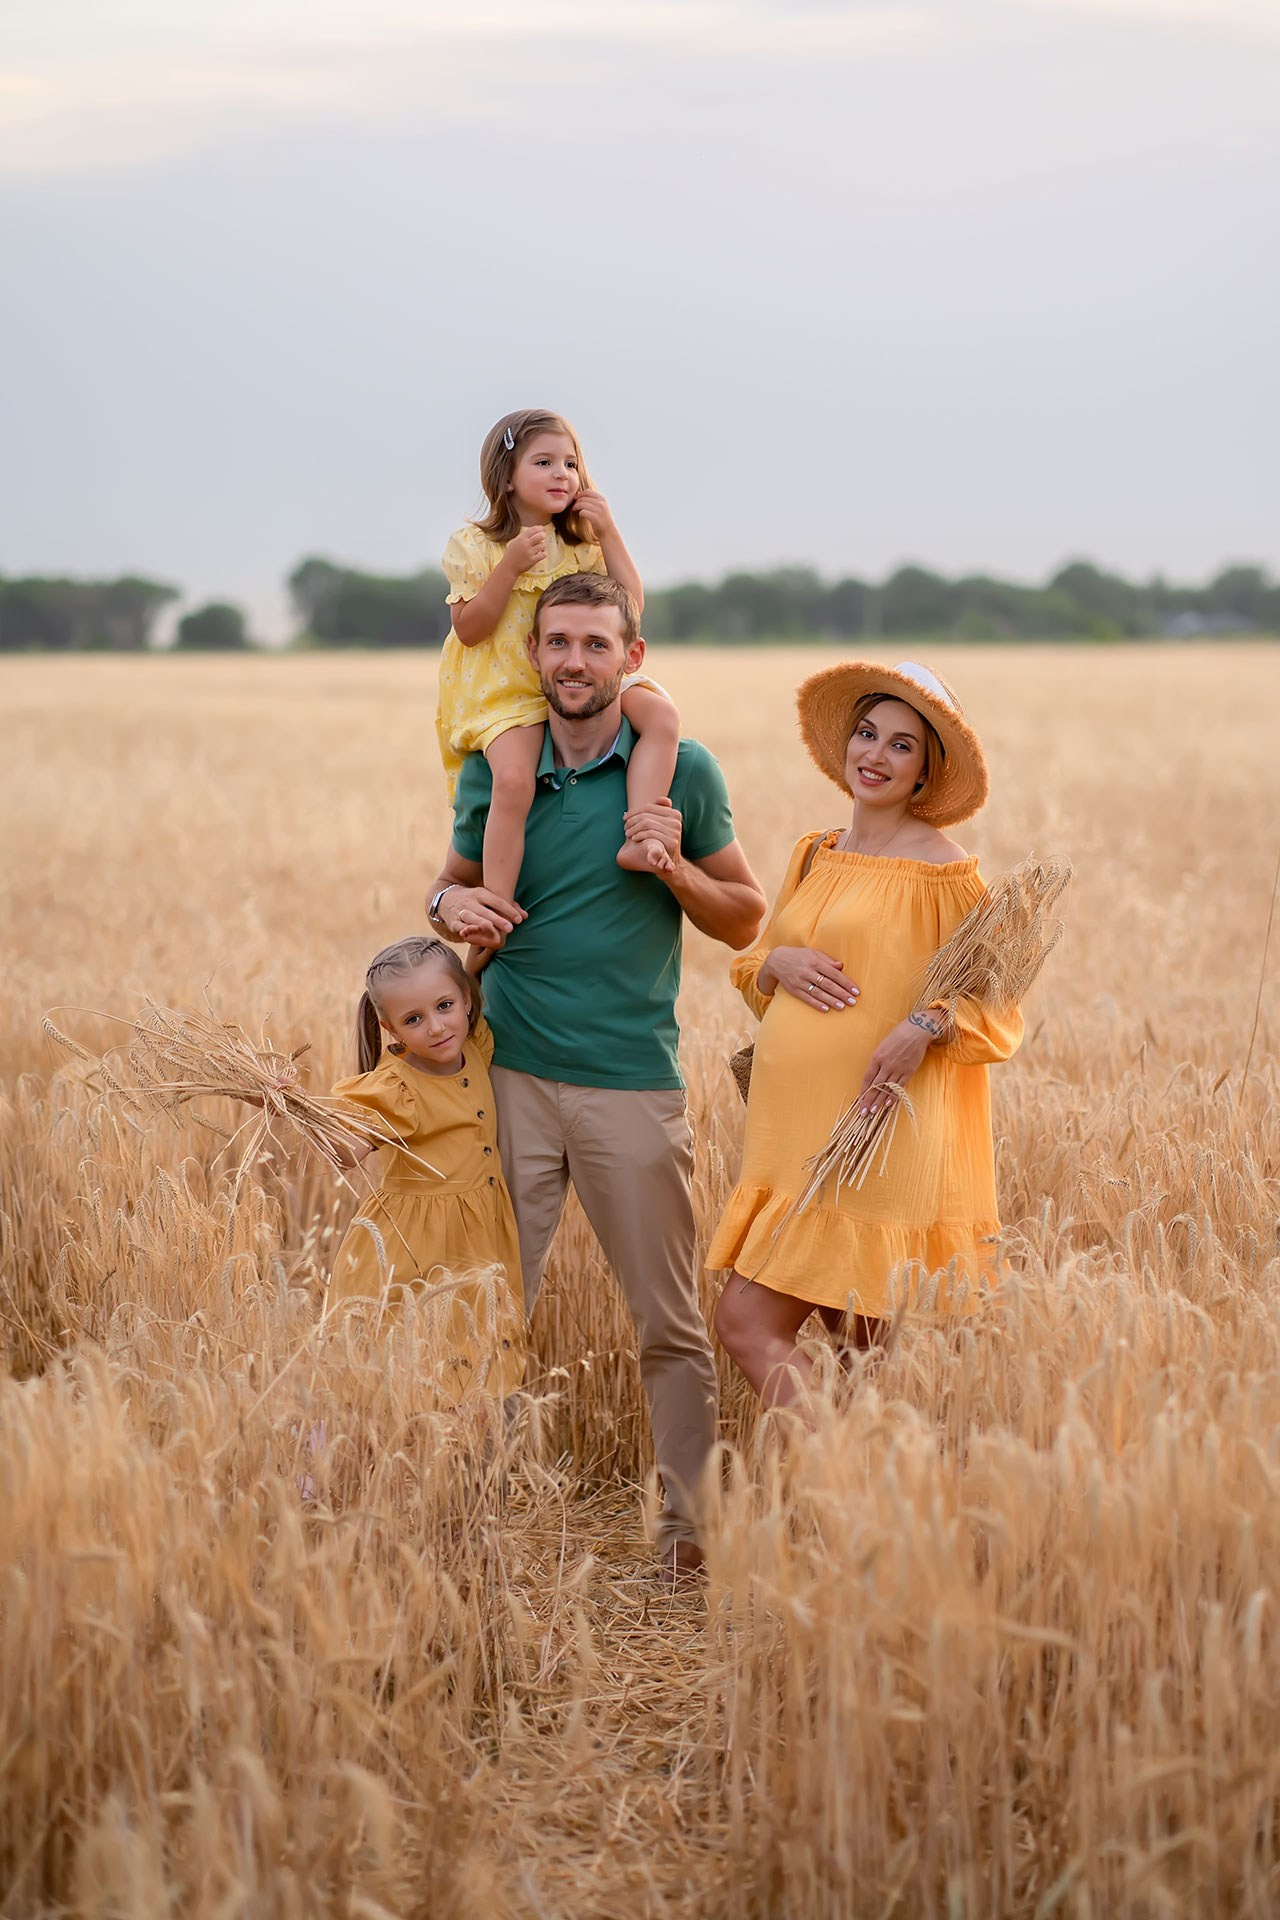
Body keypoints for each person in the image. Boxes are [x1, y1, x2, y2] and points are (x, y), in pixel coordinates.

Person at [425, 572, 766, 1582]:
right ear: (534, 654)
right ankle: (468, 1523)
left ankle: (687, 1538)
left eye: (595, 644)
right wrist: (448, 912)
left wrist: (673, 868)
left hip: (630, 1082)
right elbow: (447, 887)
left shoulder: (680, 770)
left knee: (667, 1323)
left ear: (631, 657)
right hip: (509, 1077)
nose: (574, 661)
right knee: (486, 1311)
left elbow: (746, 915)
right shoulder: (498, 763)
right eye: (558, 642)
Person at [708, 660, 1024, 1410]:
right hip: (794, 1138)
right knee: (866, 1364)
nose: (875, 755)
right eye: (867, 733)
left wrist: (925, 1025)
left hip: (877, 1136)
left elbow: (999, 1006)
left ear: (925, 772)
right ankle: (875, 1481)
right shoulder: (814, 853)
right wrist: (775, 964)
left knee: (747, 1323)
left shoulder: (949, 874)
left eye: (901, 745)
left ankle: (846, 1470)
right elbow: (755, 970)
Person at [437, 408, 681, 920]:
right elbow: (469, 629)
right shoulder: (476, 546)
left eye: (570, 464)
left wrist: (608, 531)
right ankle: (497, 905)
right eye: (544, 462)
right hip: (508, 694)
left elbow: (631, 610)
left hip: (582, 680)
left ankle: (641, 832)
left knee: (661, 715)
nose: (562, 474)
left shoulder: (578, 546)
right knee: (513, 781)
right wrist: (508, 568)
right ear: (506, 478)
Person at [324, 936, 525, 1404]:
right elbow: (348, 1152)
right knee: (418, 1373)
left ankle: (472, 1452)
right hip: (416, 1250)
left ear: (466, 1000)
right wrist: (287, 1106)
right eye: (413, 1019)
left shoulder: (475, 1048)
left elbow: (473, 971)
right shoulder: (398, 1087)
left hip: (480, 1239)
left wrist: (470, 949)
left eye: (444, 1006)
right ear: (389, 1028)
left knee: (481, 1364)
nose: (436, 1027)